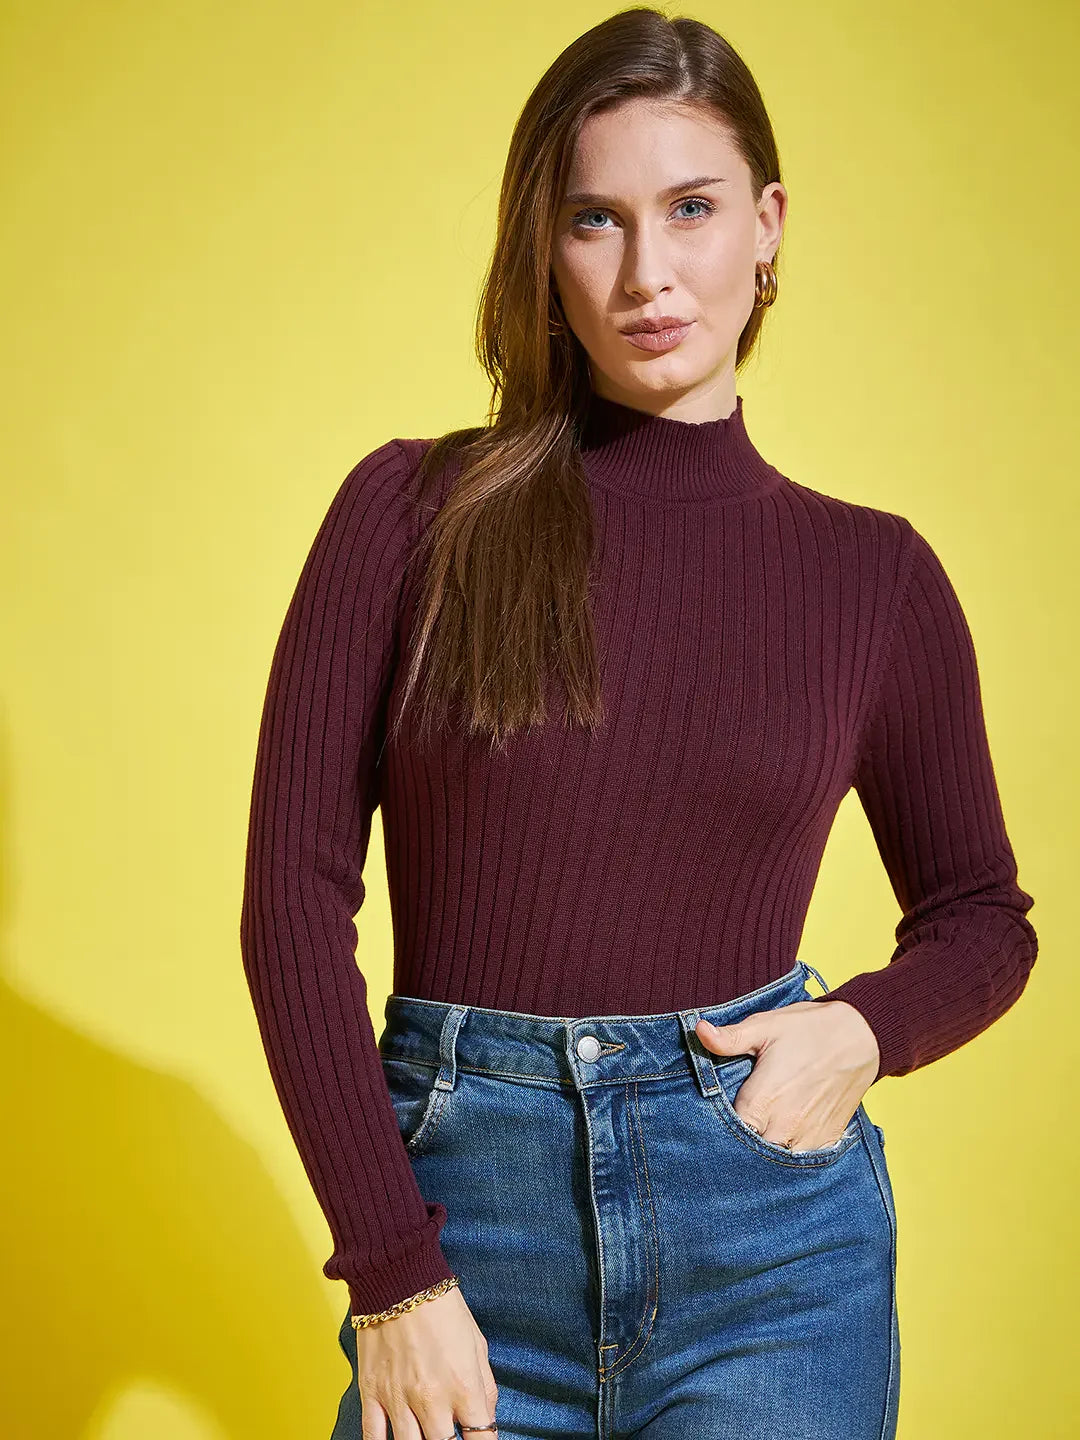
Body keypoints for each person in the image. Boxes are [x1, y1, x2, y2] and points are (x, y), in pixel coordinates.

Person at [239, 10, 1038, 1439]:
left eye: (692, 208)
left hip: (773, 1253)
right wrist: (393, 1280)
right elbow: (291, 910)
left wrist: (858, 1032)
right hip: (459, 1233)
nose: (648, 273)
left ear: (768, 226)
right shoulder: (411, 516)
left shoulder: (875, 578)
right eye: (594, 220)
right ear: (544, 253)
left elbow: (984, 912)